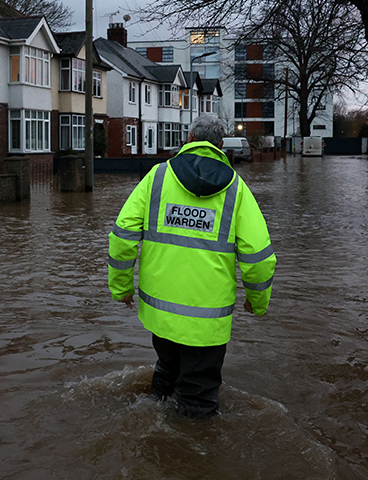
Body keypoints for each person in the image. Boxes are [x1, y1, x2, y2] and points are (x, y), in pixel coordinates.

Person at [107, 114, 276, 419]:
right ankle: (191, 458)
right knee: (198, 397)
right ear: (220, 145)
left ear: (188, 138)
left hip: (161, 314)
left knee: (166, 373)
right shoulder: (236, 190)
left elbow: (122, 236)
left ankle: (155, 426)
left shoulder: (157, 177)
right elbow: (259, 258)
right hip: (207, 321)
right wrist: (258, 302)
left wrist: (121, 288)